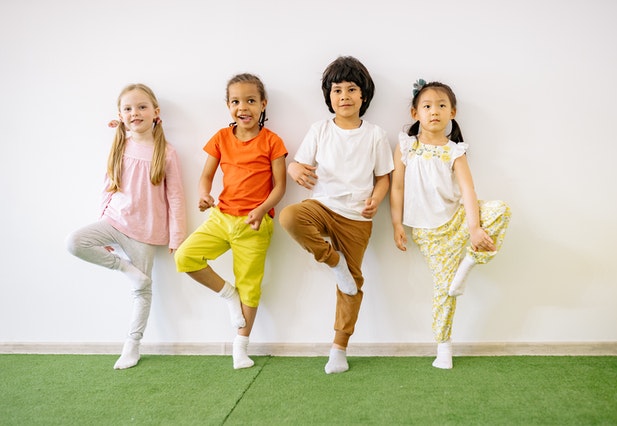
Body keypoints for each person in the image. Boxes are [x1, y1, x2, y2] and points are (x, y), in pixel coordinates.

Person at [279, 56, 394, 374]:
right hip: (323, 207)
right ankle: (333, 261)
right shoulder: (319, 130)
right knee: (290, 217)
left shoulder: (375, 135)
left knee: (352, 284)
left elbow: (384, 177)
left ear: (364, 96)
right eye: (337, 90)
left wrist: (376, 198)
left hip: (357, 217)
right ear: (328, 97)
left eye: (351, 89)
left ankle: (338, 349)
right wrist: (294, 169)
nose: (344, 96)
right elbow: (296, 164)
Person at [390, 80, 511, 369]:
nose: (435, 112)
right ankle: (444, 348)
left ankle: (470, 260)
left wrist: (474, 228)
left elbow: (469, 191)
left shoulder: (455, 151)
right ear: (415, 112)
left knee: (501, 210)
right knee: (444, 289)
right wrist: (397, 224)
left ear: (452, 112)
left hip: (457, 221)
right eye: (428, 106)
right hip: (428, 232)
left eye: (442, 106)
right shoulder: (407, 146)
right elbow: (396, 189)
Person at [66, 83, 187, 370]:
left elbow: (176, 197)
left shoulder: (166, 152)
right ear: (120, 115)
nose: (136, 113)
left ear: (155, 113)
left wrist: (177, 235)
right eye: (128, 109)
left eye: (142, 107)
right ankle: (125, 269)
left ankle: (132, 346)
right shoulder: (119, 144)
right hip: (114, 221)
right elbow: (108, 187)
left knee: (142, 291)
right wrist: (102, 220)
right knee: (74, 242)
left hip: (146, 233)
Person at [174, 73, 287, 369]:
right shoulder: (222, 138)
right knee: (185, 257)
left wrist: (262, 210)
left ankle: (240, 347)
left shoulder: (272, 141)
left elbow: (280, 187)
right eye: (236, 101)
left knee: (250, 286)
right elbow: (206, 177)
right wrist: (203, 195)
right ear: (228, 106)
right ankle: (228, 294)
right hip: (221, 218)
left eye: (250, 101)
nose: (243, 107)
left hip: (254, 226)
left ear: (263, 104)